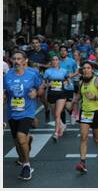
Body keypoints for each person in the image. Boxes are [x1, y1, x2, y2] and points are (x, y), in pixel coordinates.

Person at [4, 51, 43, 180]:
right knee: (17, 142)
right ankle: (28, 142)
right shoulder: (7, 75)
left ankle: (26, 165)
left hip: (27, 111)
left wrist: (36, 93)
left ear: (25, 60)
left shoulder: (32, 74)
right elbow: (5, 92)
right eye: (14, 58)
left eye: (19, 58)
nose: (16, 61)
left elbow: (41, 87)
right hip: (12, 112)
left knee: (21, 137)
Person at [72, 61, 98, 173]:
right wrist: (74, 101)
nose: (86, 70)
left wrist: (94, 97)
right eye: (84, 68)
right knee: (83, 137)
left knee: (97, 138)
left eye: (88, 68)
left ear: (92, 70)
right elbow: (79, 94)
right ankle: (82, 162)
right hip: (85, 112)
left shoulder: (96, 81)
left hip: (97, 112)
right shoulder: (81, 82)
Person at [43, 56, 69, 142]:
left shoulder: (64, 71)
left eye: (56, 60)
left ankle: (56, 133)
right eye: (53, 60)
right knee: (54, 114)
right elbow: (43, 84)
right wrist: (47, 85)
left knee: (58, 114)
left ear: (59, 61)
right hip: (51, 94)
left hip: (61, 94)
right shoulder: (47, 71)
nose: (54, 61)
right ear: (51, 62)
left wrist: (66, 82)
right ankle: (60, 125)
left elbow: (68, 80)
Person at [27, 36, 51, 122]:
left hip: (41, 77)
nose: (35, 44)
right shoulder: (29, 53)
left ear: (39, 43)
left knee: (41, 97)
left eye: (36, 43)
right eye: (33, 43)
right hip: (30, 77)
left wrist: (40, 65)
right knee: (32, 96)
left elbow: (49, 65)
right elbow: (25, 63)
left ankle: (47, 109)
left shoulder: (44, 53)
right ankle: (31, 117)